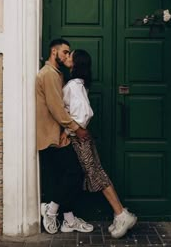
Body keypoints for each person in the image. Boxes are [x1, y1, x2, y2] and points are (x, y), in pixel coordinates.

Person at [60, 49, 137, 239]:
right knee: (96, 173)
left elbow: (85, 113)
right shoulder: (79, 84)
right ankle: (121, 214)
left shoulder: (73, 85)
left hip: (78, 139)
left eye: (70, 55)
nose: (67, 57)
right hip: (81, 137)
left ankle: (121, 214)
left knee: (96, 175)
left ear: (76, 63)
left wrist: (69, 131)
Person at [36, 39, 94, 234]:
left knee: (64, 177)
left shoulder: (56, 75)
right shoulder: (49, 75)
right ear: (54, 51)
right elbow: (57, 108)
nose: (67, 56)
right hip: (53, 137)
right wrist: (75, 129)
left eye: (69, 54)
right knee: (74, 174)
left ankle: (68, 220)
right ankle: (50, 209)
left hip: (58, 135)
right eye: (65, 52)